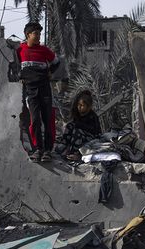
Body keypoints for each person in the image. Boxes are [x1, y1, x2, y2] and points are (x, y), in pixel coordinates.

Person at [18, 21, 60, 162]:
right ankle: (38, 149)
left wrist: (50, 72)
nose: (38, 36)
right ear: (27, 35)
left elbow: (56, 61)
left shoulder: (44, 50)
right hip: (30, 91)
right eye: (36, 34)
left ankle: (47, 150)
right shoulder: (20, 50)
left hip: (45, 89)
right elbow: (14, 65)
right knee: (35, 120)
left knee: (48, 119)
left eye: (39, 34)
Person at [59, 89, 102, 161]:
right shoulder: (78, 114)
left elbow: (94, 131)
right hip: (79, 137)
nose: (79, 107)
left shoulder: (92, 116)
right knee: (69, 126)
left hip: (92, 138)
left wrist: (80, 126)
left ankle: (74, 153)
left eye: (82, 105)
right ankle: (64, 146)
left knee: (77, 132)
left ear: (88, 107)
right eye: (78, 105)